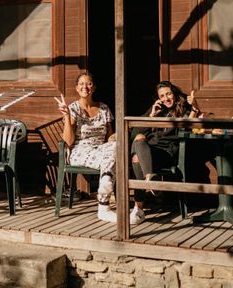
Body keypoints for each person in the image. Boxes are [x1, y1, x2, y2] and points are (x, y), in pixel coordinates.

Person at [129, 81, 202, 224]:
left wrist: (195, 107)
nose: (166, 99)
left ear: (174, 94)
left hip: (167, 153)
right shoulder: (157, 110)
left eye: (168, 94)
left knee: (136, 159)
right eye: (162, 96)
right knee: (138, 139)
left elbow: (189, 125)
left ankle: (138, 208)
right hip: (150, 151)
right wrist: (151, 117)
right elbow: (134, 135)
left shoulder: (183, 110)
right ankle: (150, 178)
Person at [55, 72, 120, 222]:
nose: (85, 87)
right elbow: (69, 141)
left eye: (89, 83)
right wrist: (66, 117)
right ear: (77, 88)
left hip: (101, 149)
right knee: (112, 159)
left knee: (116, 149)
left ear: (94, 88)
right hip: (79, 151)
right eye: (82, 84)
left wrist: (117, 139)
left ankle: (104, 199)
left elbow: (109, 136)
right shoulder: (73, 109)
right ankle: (104, 203)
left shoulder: (104, 108)